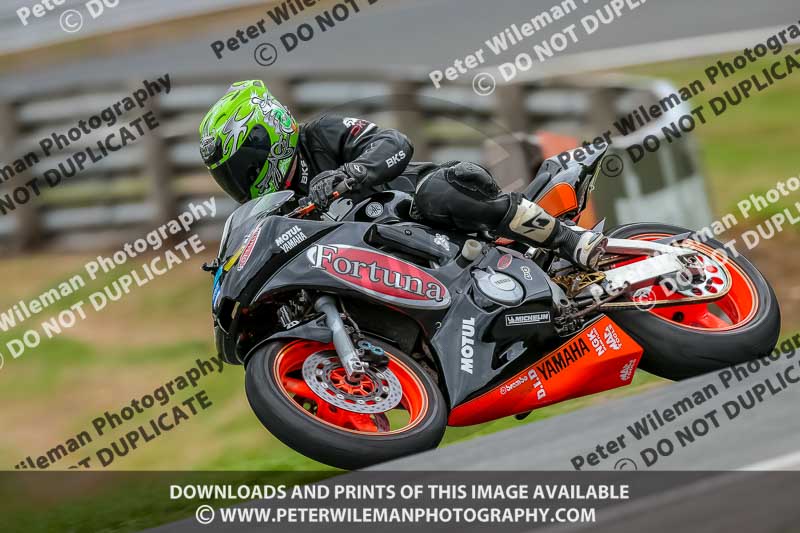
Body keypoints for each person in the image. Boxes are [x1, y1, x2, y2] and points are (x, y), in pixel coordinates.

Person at [199, 80, 606, 269]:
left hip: (438, 204)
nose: (238, 183)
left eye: (242, 168)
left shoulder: (320, 135)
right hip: (398, 259)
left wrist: (349, 174)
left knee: (436, 193)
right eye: (227, 177)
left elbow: (394, 142)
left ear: (265, 138)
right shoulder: (279, 212)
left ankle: (571, 241)